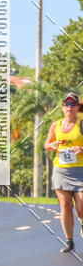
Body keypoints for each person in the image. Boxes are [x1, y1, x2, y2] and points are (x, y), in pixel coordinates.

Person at [44, 90, 83, 253]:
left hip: (80, 171)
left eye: (73, 104)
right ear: (62, 107)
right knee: (65, 206)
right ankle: (69, 241)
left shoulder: (81, 123)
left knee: (81, 206)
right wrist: (50, 146)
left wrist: (81, 149)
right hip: (61, 170)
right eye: (67, 104)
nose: (70, 107)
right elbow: (46, 144)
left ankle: (81, 222)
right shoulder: (56, 125)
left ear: (76, 107)